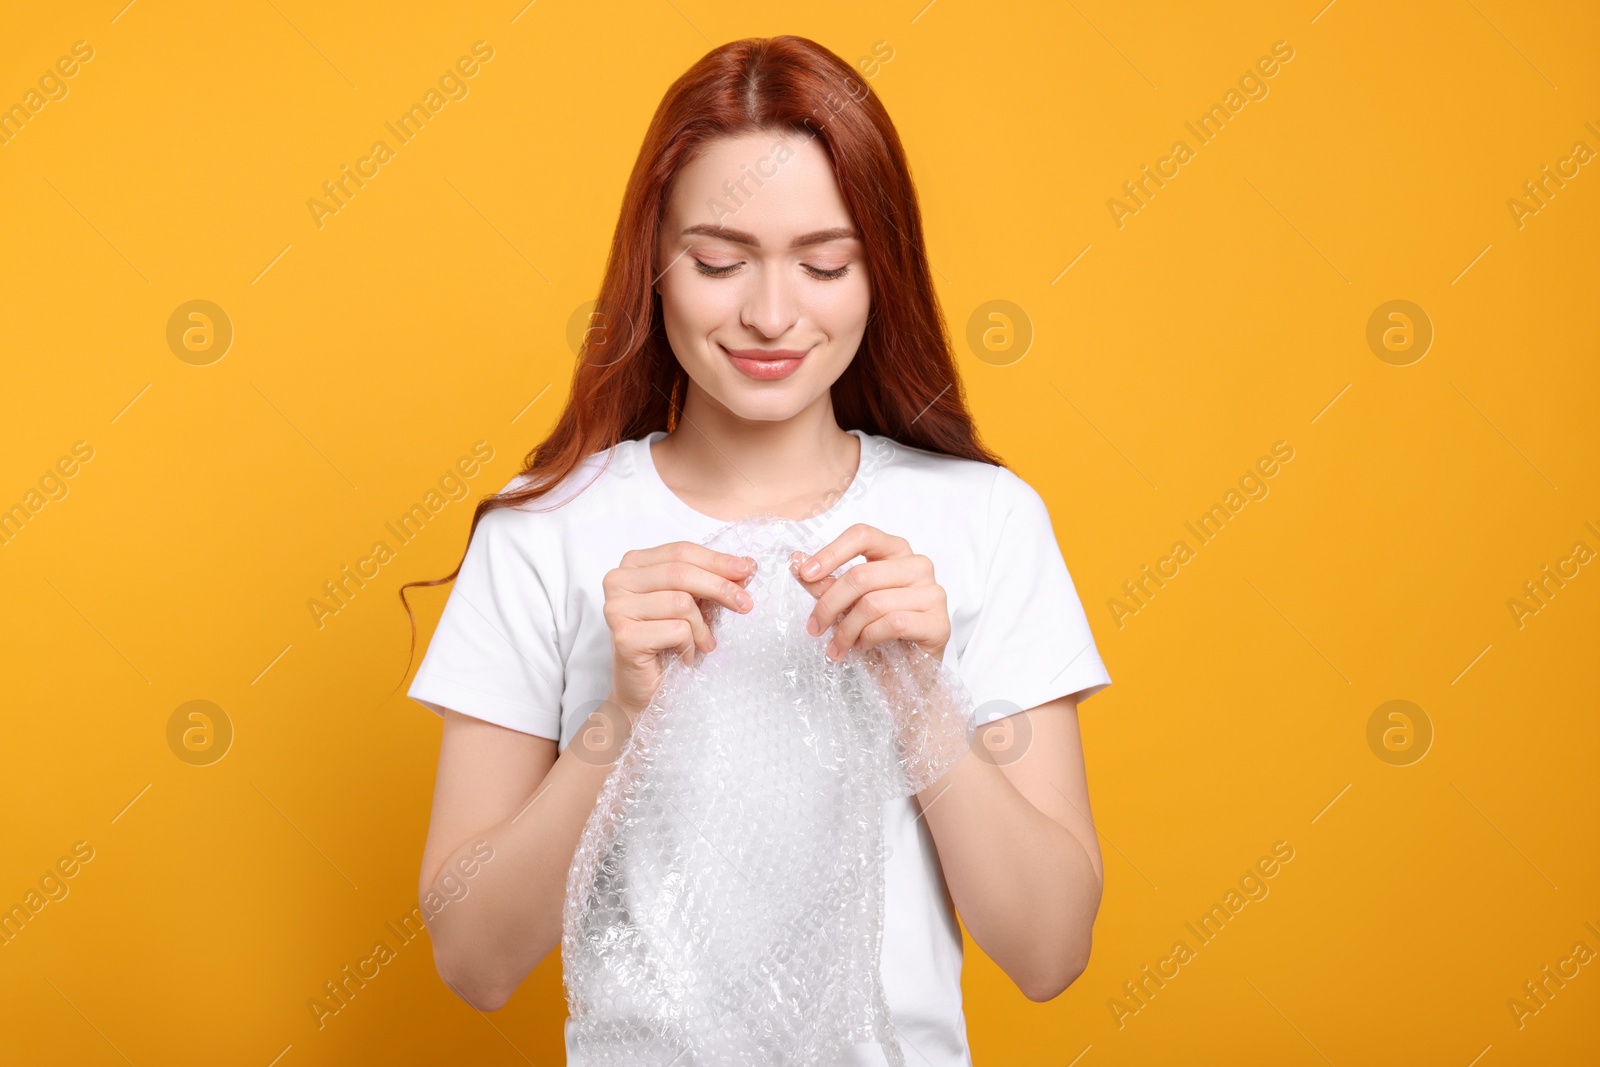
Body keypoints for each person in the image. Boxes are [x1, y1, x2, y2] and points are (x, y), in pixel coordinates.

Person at [401, 34, 1111, 1066]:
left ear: (882, 270)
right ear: (653, 263)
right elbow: (473, 958)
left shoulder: (985, 520)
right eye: (720, 261)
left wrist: (917, 696)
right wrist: (619, 716)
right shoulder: (544, 528)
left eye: (824, 263)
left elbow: (1048, 950)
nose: (771, 313)